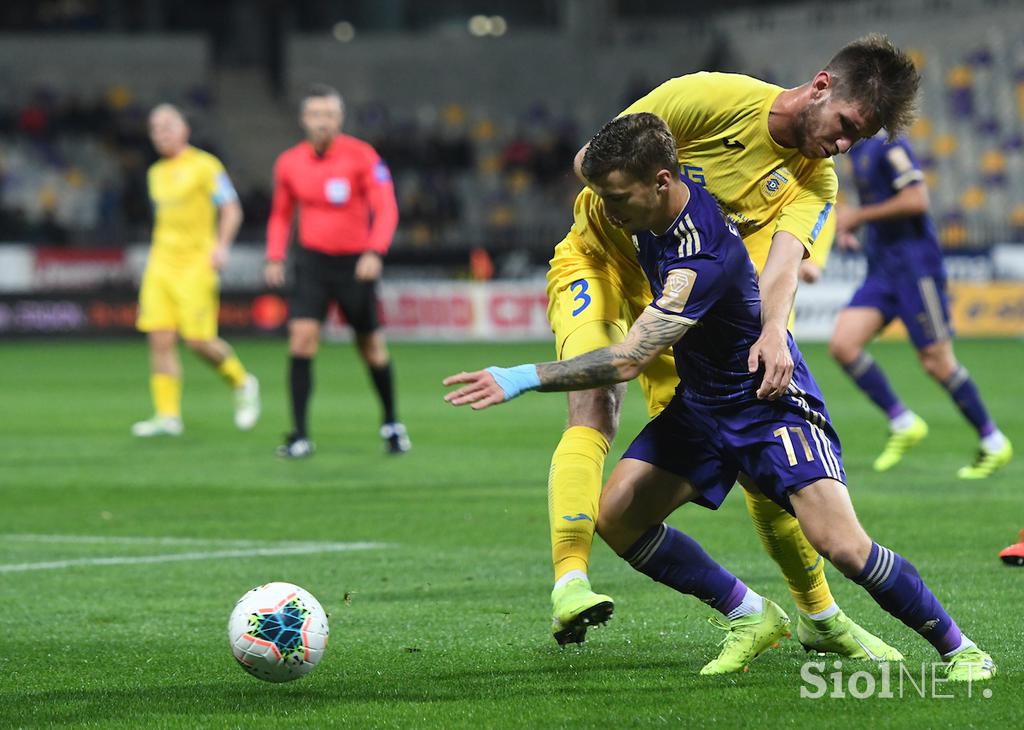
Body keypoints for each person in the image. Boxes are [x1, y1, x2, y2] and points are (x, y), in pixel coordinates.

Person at [444, 113, 995, 680]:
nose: (609, 210)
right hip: (702, 406)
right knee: (618, 518)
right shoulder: (658, 207)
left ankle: (962, 650)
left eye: (617, 196)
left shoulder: (696, 259)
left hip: (766, 404)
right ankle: (750, 614)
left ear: (661, 181)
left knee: (844, 546)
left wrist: (522, 376)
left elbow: (631, 357)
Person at [540, 34, 914, 650]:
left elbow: (784, 268)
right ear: (821, 86)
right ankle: (570, 582)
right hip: (598, 260)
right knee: (596, 397)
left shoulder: (816, 182)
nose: (844, 144)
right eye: (846, 124)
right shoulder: (711, 98)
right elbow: (591, 158)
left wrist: (773, 332)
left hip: (677, 303)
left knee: (754, 455)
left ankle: (819, 619)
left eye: (859, 139)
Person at [831, 134, 1012, 477]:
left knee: (937, 362)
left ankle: (993, 441)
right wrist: (850, 226)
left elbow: (916, 200)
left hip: (916, 270)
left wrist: (860, 216)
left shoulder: (891, 146)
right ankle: (903, 421)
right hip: (882, 270)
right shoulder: (859, 151)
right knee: (843, 344)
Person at [265, 84, 408, 458]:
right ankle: (299, 435)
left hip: (355, 264)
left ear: (339, 118)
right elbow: (281, 214)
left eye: (328, 115)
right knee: (301, 340)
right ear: (303, 119)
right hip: (311, 262)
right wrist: (275, 256)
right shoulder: (289, 163)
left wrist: (375, 251)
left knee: (371, 348)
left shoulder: (362, 157)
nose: (321, 122)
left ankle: (392, 423)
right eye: (315, 115)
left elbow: (386, 207)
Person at [132, 104, 260, 437]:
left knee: (199, 341)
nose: (162, 133)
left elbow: (231, 208)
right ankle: (167, 416)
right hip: (161, 264)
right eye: (155, 129)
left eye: (168, 126)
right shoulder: (155, 174)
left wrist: (221, 246)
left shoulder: (205, 166)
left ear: (184, 129)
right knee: (160, 339)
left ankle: (242, 382)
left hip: (196, 264)